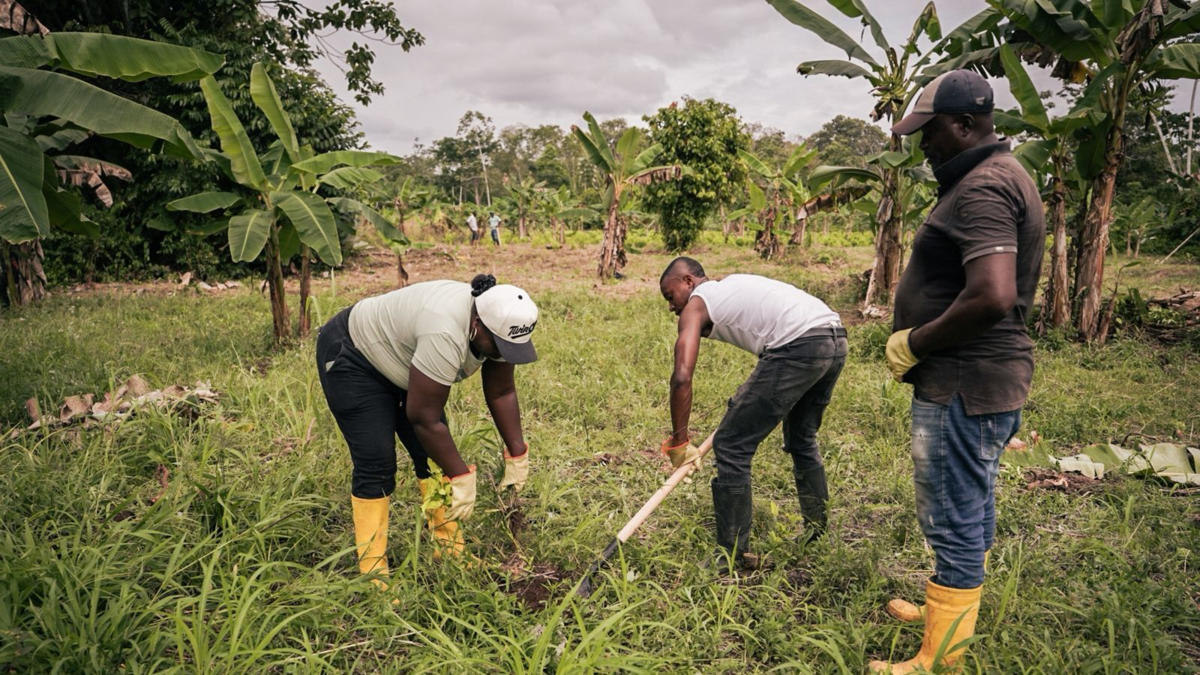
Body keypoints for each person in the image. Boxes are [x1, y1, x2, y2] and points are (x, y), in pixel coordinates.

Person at [870, 70, 1044, 673]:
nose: (922, 144)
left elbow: (993, 295)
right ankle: (951, 601)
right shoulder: (1000, 174)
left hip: (964, 380)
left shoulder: (983, 189)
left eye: (930, 131)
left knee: (952, 508)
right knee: (968, 499)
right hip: (981, 377)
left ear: (966, 124)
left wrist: (915, 342)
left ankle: (941, 656)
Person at [315, 274, 539, 586]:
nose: (503, 353)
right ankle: (373, 574)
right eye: (499, 346)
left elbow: (501, 392)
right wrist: (460, 474)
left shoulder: (498, 324)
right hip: (353, 355)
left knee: (432, 456)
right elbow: (423, 417)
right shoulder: (445, 329)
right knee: (377, 462)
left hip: (405, 362)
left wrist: (517, 451)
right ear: (477, 324)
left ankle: (448, 551)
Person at [658, 257, 847, 573]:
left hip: (799, 344)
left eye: (670, 295)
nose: (672, 307)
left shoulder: (697, 303)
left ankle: (730, 554)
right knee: (802, 440)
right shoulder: (732, 285)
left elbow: (681, 376)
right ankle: (818, 535)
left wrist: (680, 441)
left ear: (688, 281)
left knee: (732, 444)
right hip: (834, 338)